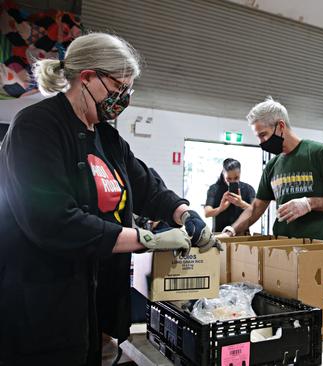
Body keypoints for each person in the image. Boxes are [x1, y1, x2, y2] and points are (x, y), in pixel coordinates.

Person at [0, 33, 212, 365]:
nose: (122, 100)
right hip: (41, 306)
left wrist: (185, 214)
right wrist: (145, 239)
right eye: (117, 91)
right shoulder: (37, 127)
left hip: (94, 305)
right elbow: (52, 220)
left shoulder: (107, 139)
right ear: (87, 77)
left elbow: (147, 187)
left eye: (128, 91)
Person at [218, 97, 323, 241]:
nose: (261, 142)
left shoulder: (318, 153)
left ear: (281, 126)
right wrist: (230, 231)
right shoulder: (272, 166)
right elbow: (255, 208)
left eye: (263, 134)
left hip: (316, 248)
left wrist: (309, 203)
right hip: (282, 248)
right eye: (258, 137)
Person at [204, 158, 256, 233]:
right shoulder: (214, 189)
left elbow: (256, 212)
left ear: (240, 173)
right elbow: (207, 213)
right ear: (223, 174)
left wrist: (241, 204)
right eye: (228, 178)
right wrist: (221, 208)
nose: (232, 181)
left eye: (236, 178)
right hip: (220, 234)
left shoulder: (248, 189)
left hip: (242, 235)